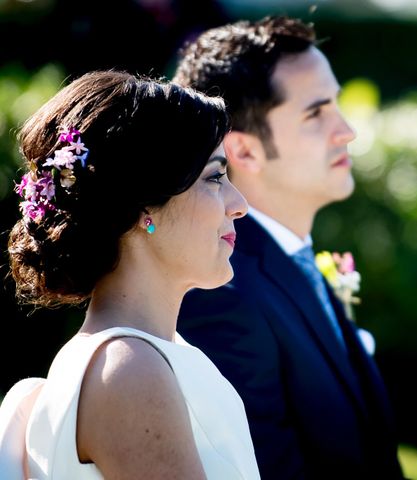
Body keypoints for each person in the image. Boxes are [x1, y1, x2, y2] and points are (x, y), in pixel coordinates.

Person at [174, 16, 405, 479]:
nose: (346, 131)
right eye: (316, 113)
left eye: (336, 105)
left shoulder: (292, 261)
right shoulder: (223, 293)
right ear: (244, 152)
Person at [0, 70, 260, 479]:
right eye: (214, 177)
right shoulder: (128, 369)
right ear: (145, 209)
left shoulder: (148, 354)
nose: (239, 203)